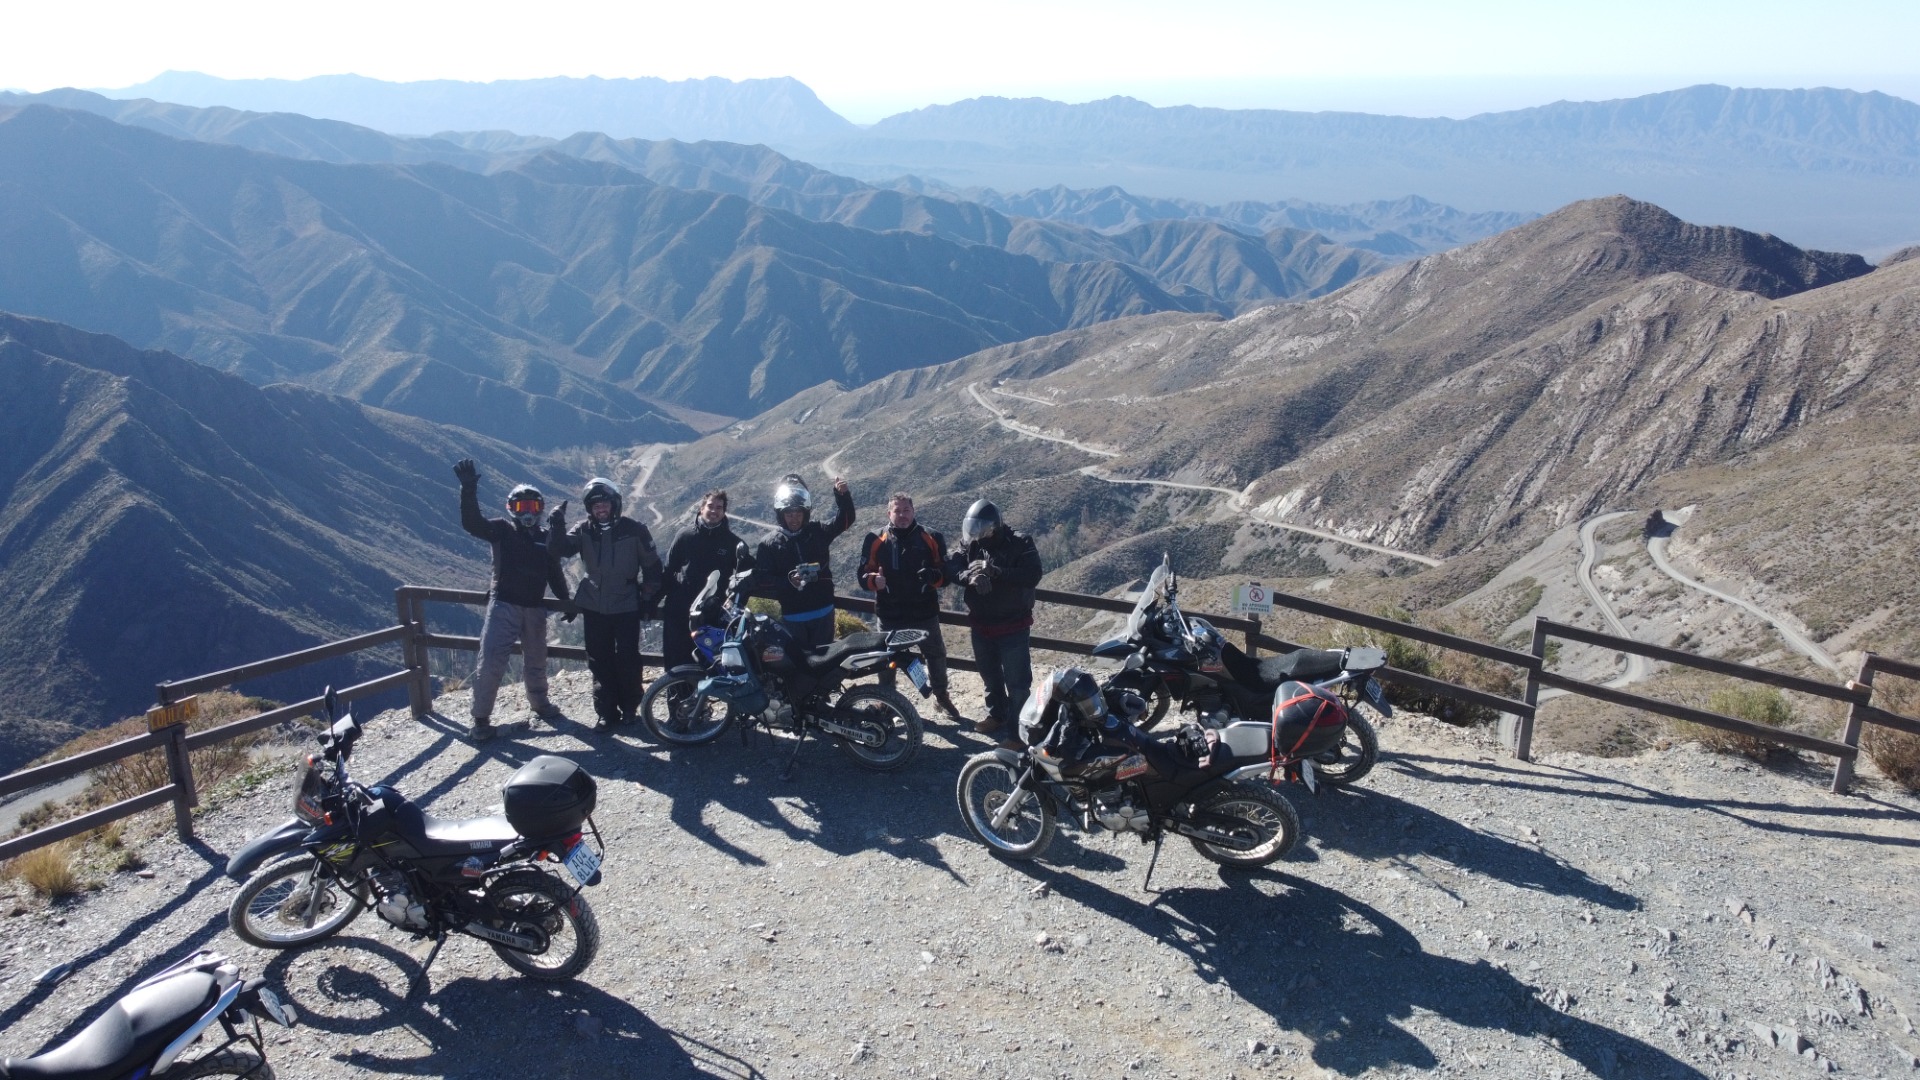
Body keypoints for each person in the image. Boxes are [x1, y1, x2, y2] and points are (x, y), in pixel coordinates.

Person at [454, 458, 572, 741]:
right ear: (511, 509)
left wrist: (565, 600)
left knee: (537, 660)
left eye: (532, 506)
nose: (527, 512)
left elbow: (554, 572)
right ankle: (481, 719)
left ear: (540, 509)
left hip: (534, 608)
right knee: (491, 661)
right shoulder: (501, 530)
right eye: (521, 507)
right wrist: (468, 490)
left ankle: (540, 704)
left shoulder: (546, 538)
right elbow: (472, 523)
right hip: (503, 606)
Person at [549, 477, 664, 730]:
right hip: (594, 605)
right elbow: (560, 550)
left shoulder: (634, 530)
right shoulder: (583, 529)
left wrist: (648, 599)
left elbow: (653, 567)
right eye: (595, 506)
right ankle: (606, 712)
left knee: (628, 658)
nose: (601, 509)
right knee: (598, 659)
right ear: (589, 509)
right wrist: (556, 524)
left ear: (615, 504)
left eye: (605, 504)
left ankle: (630, 708)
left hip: (626, 604)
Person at [859, 493, 964, 723]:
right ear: (889, 513)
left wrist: (933, 576)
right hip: (890, 615)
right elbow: (862, 575)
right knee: (886, 660)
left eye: (906, 510)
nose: (902, 515)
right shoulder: (875, 539)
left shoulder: (931, 537)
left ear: (914, 511)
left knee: (935, 654)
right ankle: (887, 701)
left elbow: (945, 575)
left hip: (924, 613)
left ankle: (941, 696)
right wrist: (874, 581)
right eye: (897, 511)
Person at [948, 499, 1043, 737]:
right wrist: (969, 576)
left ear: (994, 527)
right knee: (990, 677)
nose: (978, 535)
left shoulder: (1020, 542)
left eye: (982, 530)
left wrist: (997, 572)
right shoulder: (970, 543)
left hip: (1013, 625)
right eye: (974, 529)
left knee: (1017, 684)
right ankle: (997, 715)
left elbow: (1032, 575)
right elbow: (951, 565)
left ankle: (1019, 733)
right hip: (981, 624)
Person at [751, 473, 855, 651]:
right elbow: (761, 579)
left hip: (823, 611)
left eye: (798, 513)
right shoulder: (768, 544)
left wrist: (842, 495)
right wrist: (788, 582)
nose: (794, 518)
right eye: (789, 514)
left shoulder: (817, 531)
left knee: (826, 657)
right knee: (800, 660)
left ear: (805, 513)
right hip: (793, 615)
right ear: (781, 514)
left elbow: (845, 520)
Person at [661, 489, 742, 671]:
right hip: (680, 610)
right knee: (676, 662)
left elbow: (747, 571)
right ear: (701, 508)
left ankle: (701, 691)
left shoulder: (731, 542)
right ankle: (675, 691)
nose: (714, 511)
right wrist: (653, 602)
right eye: (710, 506)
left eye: (719, 508)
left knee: (709, 664)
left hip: (711, 614)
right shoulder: (685, 535)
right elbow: (668, 570)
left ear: (724, 512)